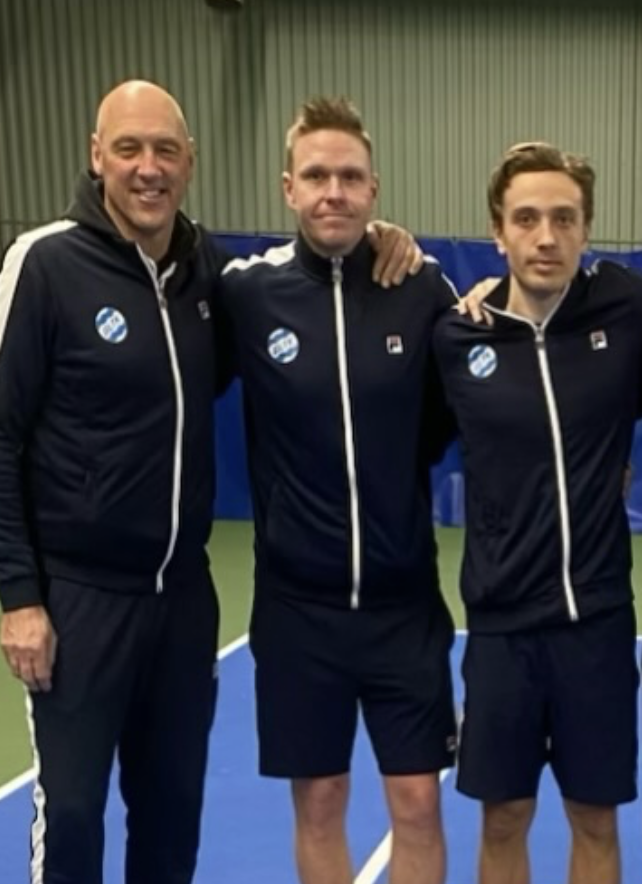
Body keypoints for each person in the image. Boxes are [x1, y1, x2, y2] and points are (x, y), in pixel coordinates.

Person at [0, 79, 420, 884]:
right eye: (129, 149)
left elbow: (309, 275)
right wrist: (19, 595)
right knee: (75, 812)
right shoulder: (46, 262)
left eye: (165, 150)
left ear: (189, 162)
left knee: (171, 815)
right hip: (80, 599)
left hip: (184, 602)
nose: (148, 168)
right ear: (96, 156)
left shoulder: (212, 276)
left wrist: (379, 241)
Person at [218, 96, 457, 884]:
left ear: (373, 190)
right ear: (288, 187)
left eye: (350, 177)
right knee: (319, 802)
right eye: (317, 176)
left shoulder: (419, 287)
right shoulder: (247, 293)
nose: (334, 192)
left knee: (418, 802)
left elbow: (478, 379)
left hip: (404, 605)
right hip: (297, 611)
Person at [433, 141, 642, 884]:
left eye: (564, 219)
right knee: (504, 818)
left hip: (596, 624)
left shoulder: (629, 310)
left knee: (594, 819)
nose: (547, 237)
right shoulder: (458, 336)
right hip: (501, 629)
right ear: (497, 231)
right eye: (527, 219)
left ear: (586, 229)